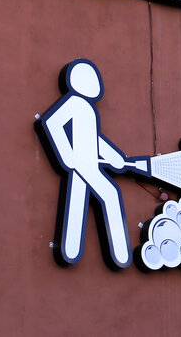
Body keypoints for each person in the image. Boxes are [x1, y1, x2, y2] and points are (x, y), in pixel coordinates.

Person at [37, 59, 132, 268]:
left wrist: (115, 158)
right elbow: (51, 123)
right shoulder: (73, 103)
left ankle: (70, 249)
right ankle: (121, 253)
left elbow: (94, 139)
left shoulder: (87, 108)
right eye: (91, 79)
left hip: (88, 164)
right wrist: (67, 156)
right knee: (110, 194)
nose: (96, 83)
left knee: (76, 201)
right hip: (82, 164)